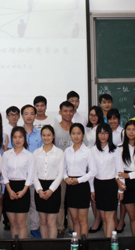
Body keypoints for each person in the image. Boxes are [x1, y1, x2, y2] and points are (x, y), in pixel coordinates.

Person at [90, 123, 124, 238]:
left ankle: (110, 243)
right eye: (100, 133)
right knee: (103, 217)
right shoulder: (93, 150)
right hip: (98, 185)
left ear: (110, 134)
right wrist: (92, 190)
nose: (103, 135)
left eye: (105, 133)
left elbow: (120, 170)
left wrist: (121, 190)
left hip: (111, 185)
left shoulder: (116, 150)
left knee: (109, 218)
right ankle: (107, 242)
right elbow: (91, 172)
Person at [1, 126, 34, 239]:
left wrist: (24, 191)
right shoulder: (6, 155)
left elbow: (30, 176)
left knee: (21, 223)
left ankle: (22, 245)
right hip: (10, 188)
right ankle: (15, 245)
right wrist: (9, 190)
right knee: (12, 223)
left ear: (24, 138)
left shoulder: (29, 155)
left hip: (23, 188)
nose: (17, 140)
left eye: (20, 137)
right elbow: (4, 173)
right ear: (11, 139)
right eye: (15, 137)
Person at [63, 123, 95, 238]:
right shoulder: (67, 151)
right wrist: (66, 178)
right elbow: (63, 169)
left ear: (83, 135)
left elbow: (93, 171)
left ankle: (84, 243)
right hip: (70, 186)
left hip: (82, 186)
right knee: (74, 219)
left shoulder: (87, 151)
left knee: (82, 220)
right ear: (70, 135)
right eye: (73, 133)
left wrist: (79, 180)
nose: (76, 136)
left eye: (78, 133)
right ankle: (76, 242)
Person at [33, 125, 64, 239]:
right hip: (40, 188)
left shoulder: (59, 152)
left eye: (49, 135)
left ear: (53, 136)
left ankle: (52, 245)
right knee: (43, 222)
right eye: (44, 135)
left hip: (54, 188)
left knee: (51, 222)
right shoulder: (36, 153)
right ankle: (44, 245)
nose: (46, 138)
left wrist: (51, 190)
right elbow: (33, 173)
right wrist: (39, 190)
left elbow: (60, 174)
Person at [20, 104, 44, 238]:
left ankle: (35, 227)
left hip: (35, 175)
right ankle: (21, 227)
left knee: (34, 203)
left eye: (31, 113)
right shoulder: (17, 134)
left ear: (35, 116)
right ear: (22, 116)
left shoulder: (40, 134)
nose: (29, 116)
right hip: (20, 175)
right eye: (26, 113)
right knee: (22, 204)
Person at [54, 101, 75, 236]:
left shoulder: (77, 128)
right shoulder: (55, 129)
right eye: (65, 111)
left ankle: (73, 226)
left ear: (74, 112)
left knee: (72, 201)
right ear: (60, 112)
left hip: (74, 171)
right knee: (60, 200)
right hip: (59, 171)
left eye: (70, 111)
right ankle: (60, 226)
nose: (68, 113)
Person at [84, 106, 105, 233]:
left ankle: (99, 219)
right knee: (92, 192)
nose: (93, 117)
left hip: (99, 162)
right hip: (87, 163)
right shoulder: (86, 129)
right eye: (91, 115)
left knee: (98, 191)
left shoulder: (102, 129)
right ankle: (97, 218)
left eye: (95, 115)